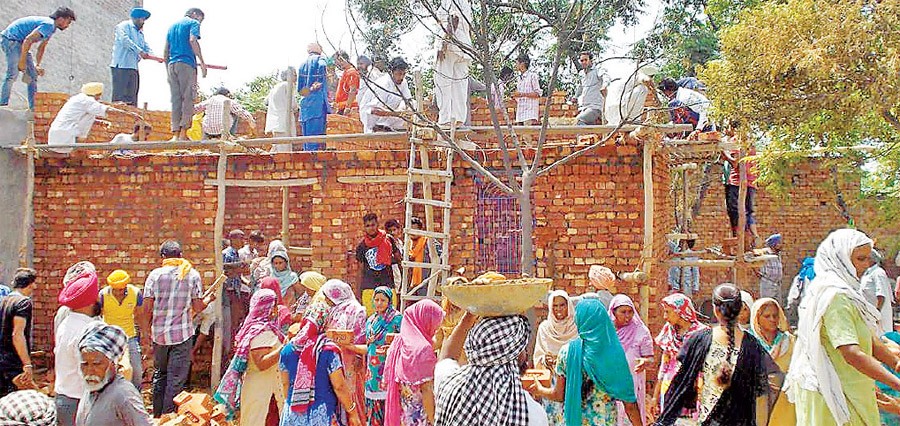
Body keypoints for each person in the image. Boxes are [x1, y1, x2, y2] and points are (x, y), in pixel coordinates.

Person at [785, 229, 900, 426]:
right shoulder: (835, 297)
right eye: (860, 259)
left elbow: (869, 341)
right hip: (835, 391)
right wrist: (896, 383)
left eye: (867, 259)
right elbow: (851, 352)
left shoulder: (847, 294)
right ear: (840, 259)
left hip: (851, 386)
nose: (866, 265)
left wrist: (895, 362)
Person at [654, 284, 781, 426]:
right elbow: (774, 379)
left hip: (708, 420)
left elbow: (682, 380)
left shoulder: (701, 339)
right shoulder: (752, 345)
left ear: (715, 310)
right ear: (739, 309)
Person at [531, 299, 643, 426]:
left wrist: (540, 389)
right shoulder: (614, 355)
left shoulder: (567, 353)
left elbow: (559, 395)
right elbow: (630, 405)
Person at [435, 312, 548, 426]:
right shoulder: (532, 413)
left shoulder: (449, 386)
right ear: (516, 353)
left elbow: (447, 358)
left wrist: (468, 318)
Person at [144, 240, 215, 416]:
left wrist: (146, 334)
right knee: (176, 380)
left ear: (163, 257)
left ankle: (157, 415)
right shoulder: (191, 275)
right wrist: (209, 300)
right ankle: (169, 418)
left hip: (159, 336)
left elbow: (146, 308)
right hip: (182, 336)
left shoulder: (154, 275)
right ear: (180, 255)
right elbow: (198, 307)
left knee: (160, 374)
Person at [280, 282, 364, 426]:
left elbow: (285, 383)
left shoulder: (287, 349)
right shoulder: (327, 351)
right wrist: (352, 411)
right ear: (325, 321)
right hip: (321, 414)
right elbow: (339, 386)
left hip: (292, 414)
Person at [214, 289, 285, 425]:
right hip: (260, 388)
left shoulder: (257, 328)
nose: (276, 309)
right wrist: (285, 347)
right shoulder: (260, 331)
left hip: (263, 387)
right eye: (274, 306)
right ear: (268, 308)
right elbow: (261, 363)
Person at [338, 286, 403, 426]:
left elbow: (403, 343)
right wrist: (351, 347)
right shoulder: (371, 321)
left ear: (390, 301)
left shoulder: (397, 319)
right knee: (373, 415)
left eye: (383, 300)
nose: (379, 303)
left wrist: (391, 349)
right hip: (372, 375)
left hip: (389, 373)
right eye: (376, 300)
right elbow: (370, 348)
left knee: (389, 412)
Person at [75, 321, 152, 426]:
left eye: (97, 364)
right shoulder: (92, 387)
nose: (90, 370)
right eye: (85, 364)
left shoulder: (123, 395)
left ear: (113, 363)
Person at [383, 299, 444, 426]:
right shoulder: (422, 350)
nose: (437, 327)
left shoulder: (401, 341)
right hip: (421, 416)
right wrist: (434, 421)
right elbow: (426, 390)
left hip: (404, 414)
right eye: (435, 322)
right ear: (426, 321)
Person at [0, 7, 76, 109]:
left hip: (20, 43)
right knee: (12, 74)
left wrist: (37, 65)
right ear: (61, 19)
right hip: (11, 40)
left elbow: (41, 48)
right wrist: (22, 61)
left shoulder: (51, 29)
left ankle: (33, 108)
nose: (68, 25)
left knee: (32, 75)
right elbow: (28, 40)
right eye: (68, 22)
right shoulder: (48, 24)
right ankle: (2, 104)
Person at [55, 269, 101, 426]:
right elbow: (95, 372)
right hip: (81, 402)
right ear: (89, 302)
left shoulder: (65, 324)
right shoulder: (89, 329)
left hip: (62, 397)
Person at [650, 293, 709, 416]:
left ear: (680, 312)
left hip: (695, 390)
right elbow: (663, 367)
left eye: (668, 312)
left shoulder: (702, 334)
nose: (665, 317)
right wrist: (655, 397)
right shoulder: (668, 332)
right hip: (669, 388)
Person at [47, 82, 139, 153]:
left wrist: (99, 122)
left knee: (91, 114)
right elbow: (108, 110)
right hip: (64, 139)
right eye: (99, 95)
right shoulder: (88, 100)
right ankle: (80, 146)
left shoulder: (78, 98)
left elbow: (80, 116)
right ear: (96, 94)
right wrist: (130, 114)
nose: (99, 98)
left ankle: (80, 147)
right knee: (91, 114)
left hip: (57, 137)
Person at [324, 279, 368, 421]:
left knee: (350, 392)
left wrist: (359, 359)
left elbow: (361, 336)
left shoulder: (357, 310)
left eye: (327, 296)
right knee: (337, 389)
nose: (326, 299)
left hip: (351, 359)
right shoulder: (333, 310)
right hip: (333, 358)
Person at [533, 290, 578, 425]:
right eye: (555, 306)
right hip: (552, 382)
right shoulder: (544, 328)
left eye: (562, 305)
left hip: (573, 380)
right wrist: (545, 360)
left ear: (568, 306)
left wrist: (562, 360)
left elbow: (581, 354)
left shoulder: (576, 327)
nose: (558, 309)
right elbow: (538, 355)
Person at [608, 295, 654, 426]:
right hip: (610, 383)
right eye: (623, 312)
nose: (627, 316)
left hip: (632, 383)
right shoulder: (607, 332)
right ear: (613, 312)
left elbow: (650, 358)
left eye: (630, 311)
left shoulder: (641, 331)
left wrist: (645, 362)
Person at [750, 298, 796, 426]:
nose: (772, 319)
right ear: (757, 319)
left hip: (786, 402)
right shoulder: (749, 343)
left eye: (775, 315)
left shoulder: (790, 342)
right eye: (767, 316)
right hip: (757, 403)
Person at [99, 269, 146, 390]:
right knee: (109, 371)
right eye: (116, 290)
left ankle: (135, 396)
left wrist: (145, 334)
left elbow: (140, 316)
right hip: (110, 338)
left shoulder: (135, 294)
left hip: (129, 336)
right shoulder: (103, 295)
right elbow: (97, 317)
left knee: (137, 372)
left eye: (121, 290)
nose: (119, 293)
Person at [165, 8, 207, 141]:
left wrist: (168, 69)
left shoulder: (172, 27)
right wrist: (202, 62)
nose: (200, 21)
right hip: (186, 63)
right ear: (196, 15)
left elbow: (166, 51)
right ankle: (183, 133)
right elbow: (193, 40)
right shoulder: (193, 23)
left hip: (172, 64)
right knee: (188, 97)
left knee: (176, 99)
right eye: (201, 19)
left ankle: (175, 134)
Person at [110, 8, 162, 106]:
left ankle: (129, 119)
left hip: (133, 68)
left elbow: (146, 48)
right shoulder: (124, 26)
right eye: (142, 19)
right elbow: (125, 41)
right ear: (136, 18)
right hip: (121, 66)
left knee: (132, 97)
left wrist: (157, 57)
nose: (143, 22)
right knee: (119, 97)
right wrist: (140, 52)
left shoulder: (140, 34)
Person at [433, 0, 473, 127]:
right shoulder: (466, 3)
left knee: (443, 81)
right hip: (464, 46)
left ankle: (445, 119)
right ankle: (459, 118)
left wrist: (444, 43)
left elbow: (454, 18)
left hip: (450, 43)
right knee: (459, 84)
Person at [0, 268, 37, 398]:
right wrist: (27, 364)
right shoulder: (23, 303)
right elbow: (17, 334)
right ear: (31, 284)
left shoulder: (4, 300)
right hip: (14, 362)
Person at [356, 213, 401, 310]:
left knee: (390, 318)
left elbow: (399, 261)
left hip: (387, 284)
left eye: (373, 225)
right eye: (367, 226)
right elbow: (360, 269)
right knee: (372, 320)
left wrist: (404, 284)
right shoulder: (362, 246)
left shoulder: (388, 240)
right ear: (364, 227)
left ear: (377, 224)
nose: (371, 228)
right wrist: (358, 292)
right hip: (369, 287)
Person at [360, 57, 414, 133]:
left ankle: (389, 127)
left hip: (390, 116)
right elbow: (374, 110)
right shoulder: (383, 84)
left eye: (403, 74)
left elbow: (409, 101)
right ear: (391, 72)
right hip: (371, 120)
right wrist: (398, 113)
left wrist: (407, 113)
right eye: (398, 74)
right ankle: (378, 127)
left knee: (411, 104)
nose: (401, 77)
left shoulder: (403, 82)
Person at [722, 143, 761, 247]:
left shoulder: (736, 142)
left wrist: (725, 154)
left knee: (735, 212)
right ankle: (754, 236)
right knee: (748, 212)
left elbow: (735, 163)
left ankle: (739, 239)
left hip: (737, 183)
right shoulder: (751, 145)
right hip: (751, 183)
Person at [298, 42, 330, 149]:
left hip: (305, 107)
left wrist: (310, 89)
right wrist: (320, 79)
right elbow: (323, 65)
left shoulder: (302, 65)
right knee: (315, 140)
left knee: (306, 140)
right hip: (317, 105)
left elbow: (301, 91)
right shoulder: (320, 59)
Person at [265, 67, 298, 151]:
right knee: (285, 151)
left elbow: (266, 102)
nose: (296, 78)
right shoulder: (288, 85)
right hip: (284, 123)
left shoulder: (275, 87)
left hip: (275, 122)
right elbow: (293, 104)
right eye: (294, 75)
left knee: (277, 148)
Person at [861, 250, 893, 332]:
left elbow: (881, 295)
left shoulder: (878, 273)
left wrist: (875, 314)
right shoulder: (867, 273)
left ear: (871, 259)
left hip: (878, 317)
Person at [574, 52, 609, 125]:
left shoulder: (597, 69)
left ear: (590, 60)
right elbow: (580, 87)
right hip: (584, 107)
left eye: (585, 60)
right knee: (587, 130)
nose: (584, 62)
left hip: (595, 107)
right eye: (582, 60)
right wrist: (575, 97)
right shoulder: (581, 73)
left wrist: (604, 86)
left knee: (579, 121)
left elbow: (606, 77)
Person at [786, 256, 815, 328]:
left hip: (804, 305)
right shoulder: (822, 277)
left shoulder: (800, 277)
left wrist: (790, 306)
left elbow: (793, 295)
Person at [512, 54, 540, 125]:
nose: (516, 65)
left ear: (522, 64)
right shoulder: (519, 78)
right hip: (520, 112)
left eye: (517, 63)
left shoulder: (532, 76)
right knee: (521, 135)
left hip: (529, 113)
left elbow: (537, 94)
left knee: (527, 135)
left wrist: (521, 94)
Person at [759, 233, 785, 304]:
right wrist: (760, 275)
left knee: (777, 306)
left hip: (777, 285)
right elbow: (754, 262)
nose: (781, 245)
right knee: (767, 305)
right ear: (774, 244)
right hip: (768, 284)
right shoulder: (765, 252)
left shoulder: (778, 253)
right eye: (779, 243)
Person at [385, 219, 404, 292]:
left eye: (394, 230)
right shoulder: (387, 243)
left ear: (399, 230)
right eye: (390, 231)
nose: (392, 233)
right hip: (391, 270)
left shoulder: (400, 243)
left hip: (399, 270)